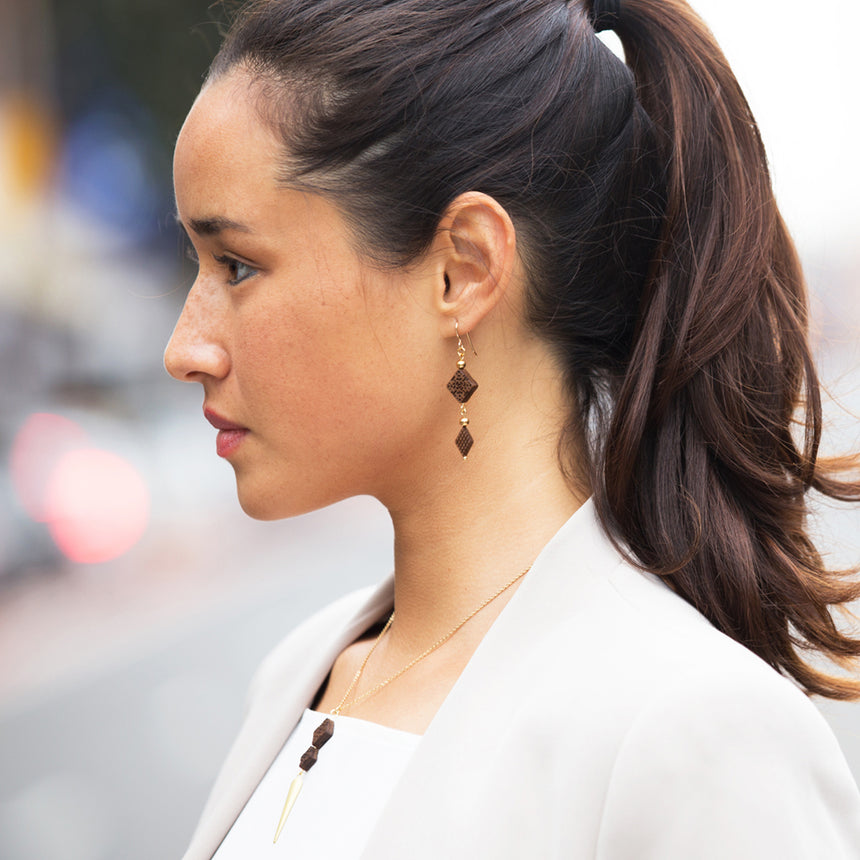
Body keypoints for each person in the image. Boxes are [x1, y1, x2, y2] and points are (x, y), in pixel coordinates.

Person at [164, 0, 860, 856]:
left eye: (236, 265)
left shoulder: (691, 733)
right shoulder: (301, 671)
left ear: (463, 270)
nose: (184, 348)